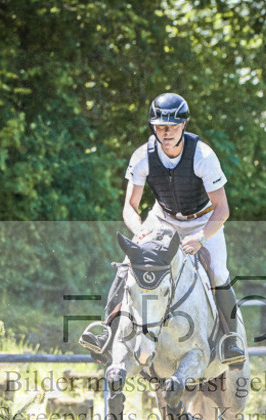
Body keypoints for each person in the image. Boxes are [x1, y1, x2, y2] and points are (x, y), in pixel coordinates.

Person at [80, 92, 245, 366]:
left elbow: (223, 210)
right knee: (126, 265)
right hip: (162, 218)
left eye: (172, 126)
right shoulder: (142, 156)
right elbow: (129, 207)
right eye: (159, 126)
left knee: (218, 272)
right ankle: (106, 332)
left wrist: (200, 237)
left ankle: (231, 340)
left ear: (183, 126)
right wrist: (140, 230)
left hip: (203, 220)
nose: (165, 132)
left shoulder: (203, 156)